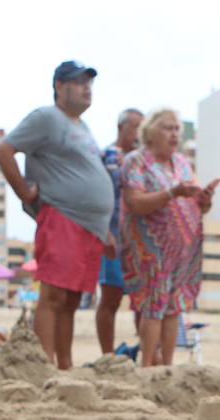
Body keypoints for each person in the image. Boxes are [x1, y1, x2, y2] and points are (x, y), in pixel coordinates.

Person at [0, 61, 113, 370]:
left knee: (72, 301)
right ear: (59, 87)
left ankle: (65, 364)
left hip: (89, 226)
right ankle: (44, 364)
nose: (87, 87)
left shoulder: (81, 126)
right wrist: (23, 192)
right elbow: (4, 149)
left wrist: (104, 227)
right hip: (62, 216)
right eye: (78, 82)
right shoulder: (47, 117)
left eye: (89, 82)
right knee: (54, 296)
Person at [119, 108, 215, 367]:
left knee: (174, 309)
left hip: (182, 251)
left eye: (176, 129)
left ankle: (167, 367)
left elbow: (198, 205)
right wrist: (172, 193)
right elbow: (134, 201)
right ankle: (148, 364)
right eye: (167, 128)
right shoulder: (136, 161)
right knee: (153, 306)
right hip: (150, 249)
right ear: (150, 132)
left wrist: (204, 199)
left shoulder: (182, 163)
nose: (174, 134)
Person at [95, 108, 142, 354]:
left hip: (139, 238)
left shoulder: (145, 160)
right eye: (136, 127)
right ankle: (107, 354)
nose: (139, 133)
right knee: (111, 297)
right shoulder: (106, 156)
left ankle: (145, 351)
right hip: (112, 233)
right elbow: (97, 195)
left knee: (143, 300)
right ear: (121, 127)